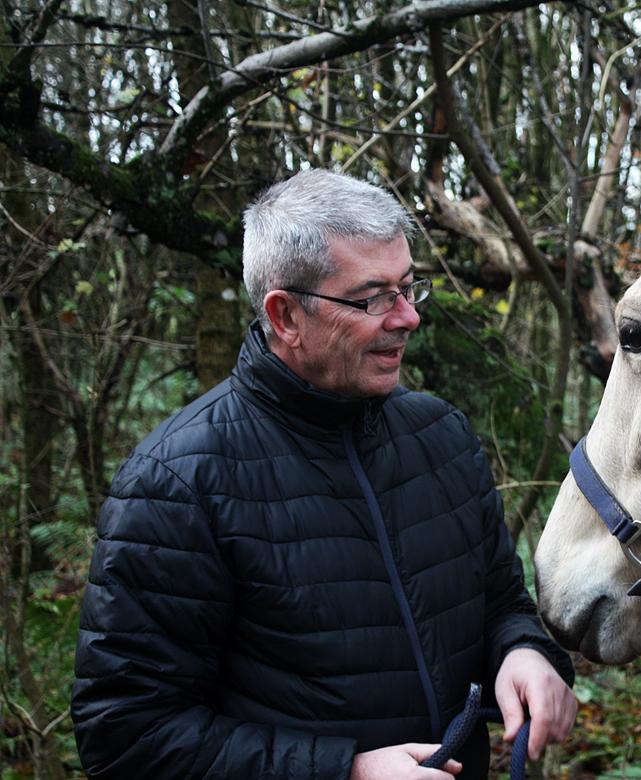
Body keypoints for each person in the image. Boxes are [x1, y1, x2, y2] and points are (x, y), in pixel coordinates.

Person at [71, 169, 577, 779]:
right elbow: (126, 736)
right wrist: (347, 772)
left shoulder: (441, 436)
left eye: (409, 288)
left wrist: (523, 651)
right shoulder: (177, 484)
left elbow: (501, 603)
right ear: (285, 316)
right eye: (373, 298)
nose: (408, 318)